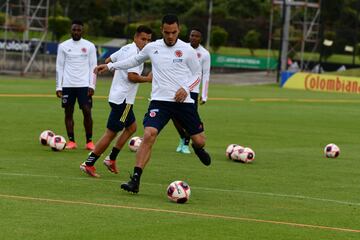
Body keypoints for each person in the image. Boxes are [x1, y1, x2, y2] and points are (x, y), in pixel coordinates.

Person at [94, 14, 211, 194]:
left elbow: (197, 75)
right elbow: (134, 60)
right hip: (160, 101)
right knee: (149, 134)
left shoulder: (187, 50)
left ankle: (197, 148)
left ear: (179, 30)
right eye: (166, 32)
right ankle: (135, 180)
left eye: (173, 32)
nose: (170, 36)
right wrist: (110, 66)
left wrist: (186, 89)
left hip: (183, 101)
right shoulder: (152, 47)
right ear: (161, 30)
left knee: (200, 140)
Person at [80, 25, 153, 177]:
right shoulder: (136, 54)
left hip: (116, 96)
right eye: (143, 39)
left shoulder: (126, 48)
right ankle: (89, 163)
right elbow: (131, 77)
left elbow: (108, 60)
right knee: (111, 133)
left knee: (132, 128)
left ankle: (111, 158)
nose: (145, 43)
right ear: (135, 37)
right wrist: (147, 79)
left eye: (148, 40)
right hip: (124, 100)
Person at [56, 20, 97, 150]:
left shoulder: (89, 46)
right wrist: (59, 86)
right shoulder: (63, 46)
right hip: (68, 85)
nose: (76, 32)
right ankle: (71, 141)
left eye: (79, 30)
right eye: (74, 30)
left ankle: (89, 141)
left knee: (87, 111)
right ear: (71, 30)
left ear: (82, 31)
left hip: (84, 85)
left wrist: (92, 85)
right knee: (68, 113)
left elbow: (93, 66)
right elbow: (59, 66)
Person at [174, 28, 211, 154]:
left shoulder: (205, 54)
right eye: (192, 35)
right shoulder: (182, 48)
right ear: (189, 36)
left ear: (200, 39)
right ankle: (183, 137)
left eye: (196, 36)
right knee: (174, 117)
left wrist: (204, 95)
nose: (193, 38)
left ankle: (185, 144)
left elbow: (205, 75)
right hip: (178, 88)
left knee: (190, 119)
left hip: (193, 91)